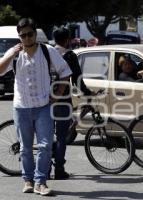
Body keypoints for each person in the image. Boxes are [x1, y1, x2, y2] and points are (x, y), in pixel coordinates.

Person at [0, 18, 72, 195]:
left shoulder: (48, 51)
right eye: (22, 35)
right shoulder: (15, 53)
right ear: (19, 36)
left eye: (29, 34)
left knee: (45, 146)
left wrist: (56, 95)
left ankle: (41, 182)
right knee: (25, 147)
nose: (26, 38)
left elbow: (65, 72)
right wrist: (9, 56)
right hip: (21, 107)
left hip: (43, 107)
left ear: (35, 34)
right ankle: (28, 180)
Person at [52, 27, 93, 180]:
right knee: (62, 136)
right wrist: (88, 92)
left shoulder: (47, 52)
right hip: (63, 101)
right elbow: (77, 79)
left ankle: (46, 166)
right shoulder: (69, 55)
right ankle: (59, 169)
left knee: (47, 135)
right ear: (68, 39)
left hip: (46, 100)